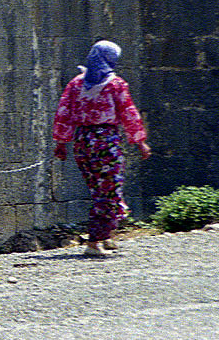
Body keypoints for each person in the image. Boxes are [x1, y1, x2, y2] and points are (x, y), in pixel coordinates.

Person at [52, 40, 151, 256]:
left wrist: (61, 142)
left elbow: (64, 112)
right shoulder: (115, 84)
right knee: (109, 191)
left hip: (82, 142)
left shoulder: (76, 83)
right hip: (106, 142)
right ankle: (94, 242)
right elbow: (128, 112)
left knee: (100, 190)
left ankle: (107, 235)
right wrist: (139, 141)